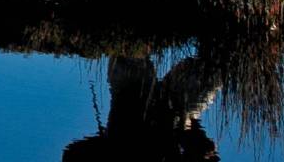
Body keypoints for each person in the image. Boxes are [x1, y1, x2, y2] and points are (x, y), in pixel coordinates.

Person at [61, 53, 221, 162]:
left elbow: (72, 155)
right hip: (174, 103)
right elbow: (207, 150)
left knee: (127, 41)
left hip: (131, 90)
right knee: (216, 68)